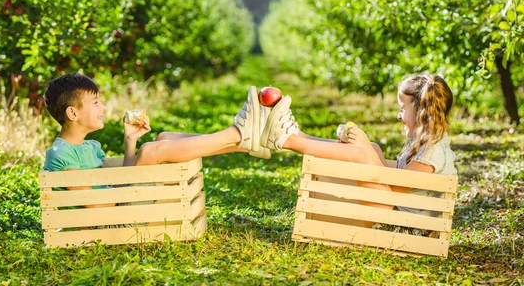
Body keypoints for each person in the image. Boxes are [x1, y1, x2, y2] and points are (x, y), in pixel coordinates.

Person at [258, 74, 457, 228]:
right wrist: (366, 150)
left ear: (421, 112)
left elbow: (394, 191)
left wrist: (364, 153)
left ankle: (287, 141)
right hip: (393, 214)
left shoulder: (432, 153)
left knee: (364, 151)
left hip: (401, 226)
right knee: (371, 148)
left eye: (402, 108)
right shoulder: (429, 144)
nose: (398, 115)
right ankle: (298, 136)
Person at [42, 74, 274, 187]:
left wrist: (129, 140)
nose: (102, 107)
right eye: (95, 103)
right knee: (151, 150)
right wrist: (124, 194)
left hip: (117, 203)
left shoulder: (91, 147)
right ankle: (237, 133)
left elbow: (119, 177)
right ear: (73, 113)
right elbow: (93, 204)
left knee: (164, 138)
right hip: (109, 217)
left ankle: (243, 143)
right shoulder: (61, 154)